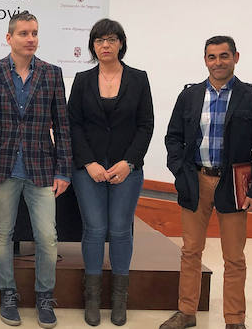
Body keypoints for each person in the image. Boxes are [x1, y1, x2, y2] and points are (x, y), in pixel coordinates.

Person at [161, 36, 252, 329]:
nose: (218, 62)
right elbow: (173, 137)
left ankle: (235, 320)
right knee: (190, 251)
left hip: (233, 184)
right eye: (212, 57)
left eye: (224, 56)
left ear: (236, 57)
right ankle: (186, 312)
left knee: (234, 256)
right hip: (195, 180)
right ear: (205, 59)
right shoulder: (190, 95)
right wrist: (179, 171)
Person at [0, 11, 70, 328]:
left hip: (41, 167)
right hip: (1, 166)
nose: (31, 39)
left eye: (35, 33)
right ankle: (8, 293)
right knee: (1, 234)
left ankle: (44, 296)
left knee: (47, 237)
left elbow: (63, 127)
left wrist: (63, 170)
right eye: (24, 33)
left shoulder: (52, 74)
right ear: (9, 38)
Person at [67, 18, 153, 326]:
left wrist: (128, 162)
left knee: (119, 229)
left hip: (126, 169)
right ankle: (91, 299)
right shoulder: (81, 79)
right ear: (92, 45)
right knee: (94, 229)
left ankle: (119, 300)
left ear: (121, 43)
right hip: (87, 168)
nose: (105, 45)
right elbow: (72, 124)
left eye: (111, 39)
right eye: (99, 40)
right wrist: (88, 162)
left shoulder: (139, 79)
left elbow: (146, 126)